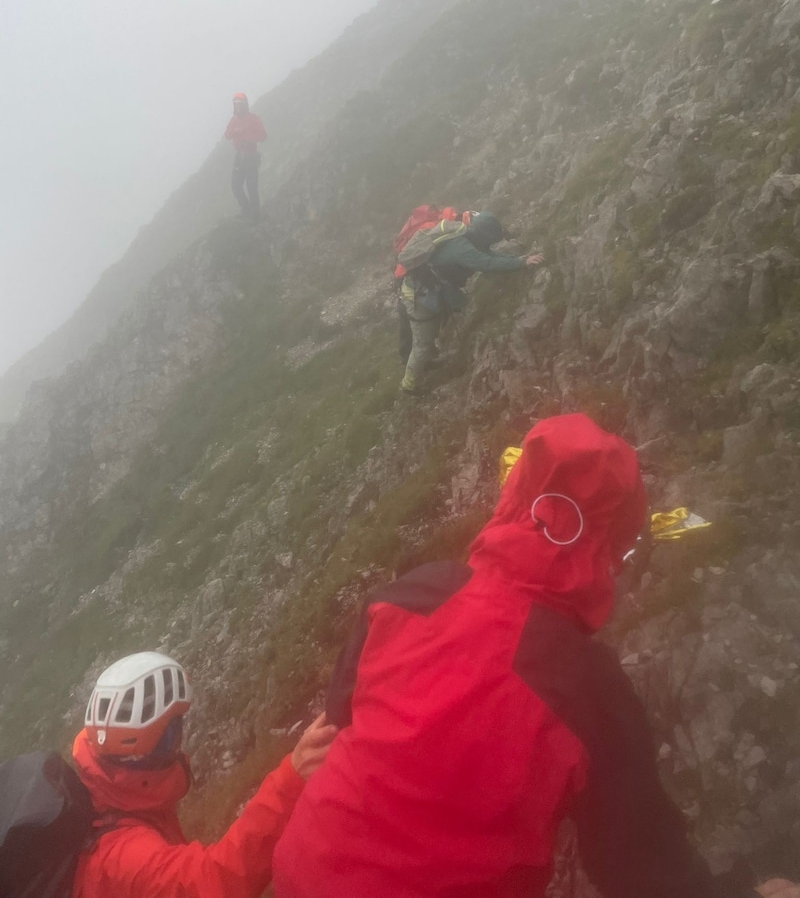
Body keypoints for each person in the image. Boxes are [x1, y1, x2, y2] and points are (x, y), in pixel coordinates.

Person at [272, 414, 794, 898]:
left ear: (515, 495)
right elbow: (644, 871)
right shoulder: (589, 690)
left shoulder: (412, 591)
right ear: (610, 551)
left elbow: (340, 715)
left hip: (302, 865)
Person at [71, 651, 337, 898]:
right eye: (171, 732)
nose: (178, 745)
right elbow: (213, 882)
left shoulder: (107, 789)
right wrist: (292, 778)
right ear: (147, 747)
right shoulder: (125, 858)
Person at [399, 210, 542, 394]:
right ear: (484, 235)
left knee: (431, 333)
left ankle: (427, 361)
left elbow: (488, 256)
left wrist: (520, 260)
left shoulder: (465, 235)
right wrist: (520, 263)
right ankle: (409, 385)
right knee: (422, 344)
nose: (491, 243)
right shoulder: (463, 249)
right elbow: (486, 263)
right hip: (418, 296)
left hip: (427, 290)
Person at [224, 92, 267, 221]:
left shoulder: (253, 119)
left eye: (241, 105)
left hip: (251, 157)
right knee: (236, 186)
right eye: (236, 105)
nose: (238, 107)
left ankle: (255, 215)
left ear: (245, 105)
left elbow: (263, 136)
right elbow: (227, 135)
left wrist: (248, 140)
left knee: (251, 187)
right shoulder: (234, 120)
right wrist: (234, 132)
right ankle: (246, 210)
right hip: (239, 157)